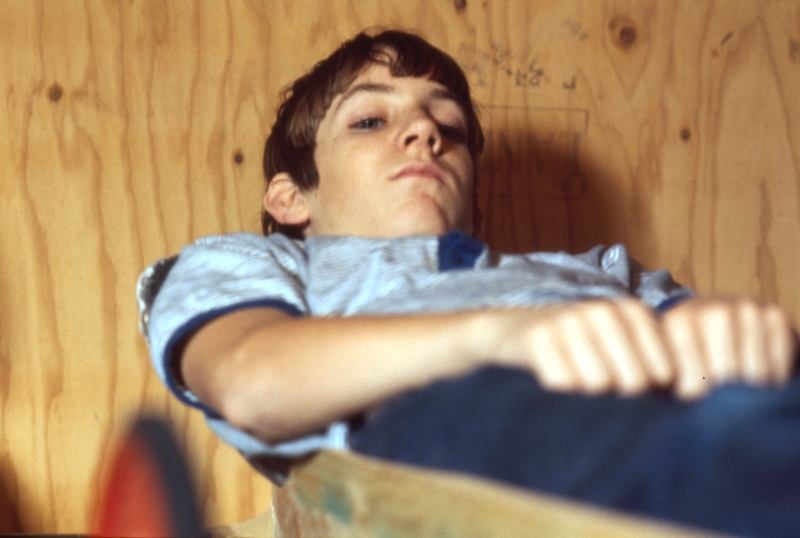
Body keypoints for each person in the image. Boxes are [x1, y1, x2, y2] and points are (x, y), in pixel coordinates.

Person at [138, 30, 799, 537]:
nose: (425, 131)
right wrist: (506, 335)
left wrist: (727, 337)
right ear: (289, 199)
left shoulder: (604, 272)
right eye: (370, 121)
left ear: (476, 203)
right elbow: (255, 387)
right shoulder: (256, 265)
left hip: (693, 402)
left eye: (448, 127)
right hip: (444, 422)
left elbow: (717, 364)